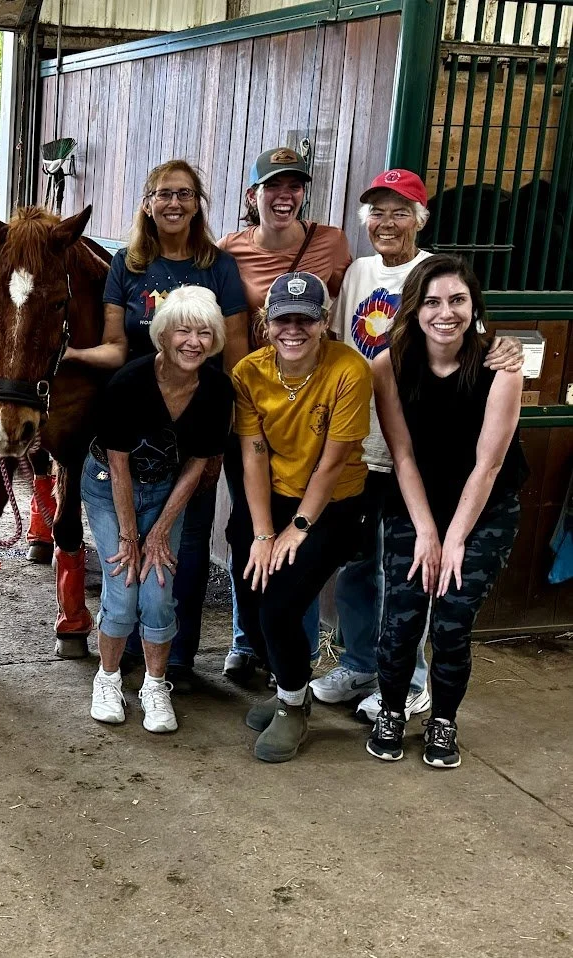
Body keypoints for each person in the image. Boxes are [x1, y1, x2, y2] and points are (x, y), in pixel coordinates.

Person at [311, 170, 523, 722]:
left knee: (420, 571)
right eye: (377, 212)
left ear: (419, 219)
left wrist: (509, 353)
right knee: (362, 565)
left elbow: (476, 343)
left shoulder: (435, 278)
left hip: (427, 462)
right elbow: (337, 344)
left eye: (400, 211)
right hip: (368, 446)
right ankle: (362, 663)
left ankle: (414, 683)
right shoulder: (357, 272)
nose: (387, 222)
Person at [65, 159, 247, 692]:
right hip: (135, 412)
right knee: (130, 556)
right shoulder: (129, 264)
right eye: (163, 194)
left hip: (196, 421)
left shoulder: (218, 265)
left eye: (185, 194)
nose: (173, 203)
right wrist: (70, 354)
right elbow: (118, 346)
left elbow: (233, 353)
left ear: (198, 204)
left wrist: (222, 440)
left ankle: (176, 662)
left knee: (181, 553)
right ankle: (122, 659)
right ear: (147, 203)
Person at [366, 255, 526, 768]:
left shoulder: (500, 365)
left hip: (484, 507)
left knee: (452, 622)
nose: (445, 312)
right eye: (432, 301)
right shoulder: (388, 364)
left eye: (457, 300)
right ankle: (391, 709)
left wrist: (453, 539)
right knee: (402, 618)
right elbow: (403, 454)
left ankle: (443, 721)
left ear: (473, 305)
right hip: (413, 503)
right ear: (414, 309)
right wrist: (426, 532)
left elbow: (489, 463)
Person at [219, 148, 353, 682]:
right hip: (253, 402)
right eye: (273, 186)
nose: (284, 196)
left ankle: (288, 650)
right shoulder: (228, 251)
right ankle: (246, 639)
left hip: (312, 406)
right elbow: (226, 330)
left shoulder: (333, 242)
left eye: (294, 186)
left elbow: (367, 305)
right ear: (253, 195)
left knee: (301, 531)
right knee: (248, 527)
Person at [229, 272, 371, 763]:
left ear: (324, 322)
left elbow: (333, 461)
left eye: (305, 319)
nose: (293, 329)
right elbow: (253, 454)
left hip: (333, 504)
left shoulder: (349, 370)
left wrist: (297, 529)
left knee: (281, 605)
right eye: (282, 319)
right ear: (266, 323)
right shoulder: (249, 372)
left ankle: (293, 705)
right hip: (272, 496)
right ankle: (292, 684)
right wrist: (264, 532)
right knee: (249, 593)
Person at [83, 287, 233, 732]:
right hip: (111, 487)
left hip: (166, 489)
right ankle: (107, 678)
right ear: (164, 335)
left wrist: (161, 530)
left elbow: (198, 464)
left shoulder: (216, 389)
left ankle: (154, 684)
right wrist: (132, 537)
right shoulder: (129, 382)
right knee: (124, 582)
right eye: (183, 330)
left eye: (205, 333)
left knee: (159, 591)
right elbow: (118, 461)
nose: (194, 342)